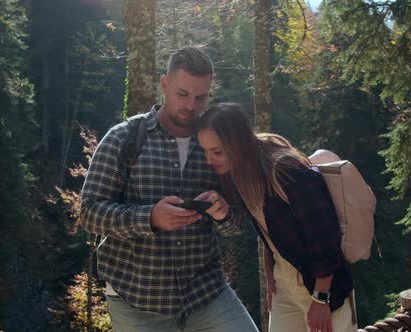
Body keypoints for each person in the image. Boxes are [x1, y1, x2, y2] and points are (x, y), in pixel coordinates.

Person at [80, 48, 258, 332]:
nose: (191, 106)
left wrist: (223, 214)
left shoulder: (218, 142)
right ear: (164, 85)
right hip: (136, 298)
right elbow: (89, 213)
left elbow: (238, 225)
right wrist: (150, 217)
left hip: (205, 293)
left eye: (201, 97)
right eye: (183, 94)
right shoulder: (123, 138)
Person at [197, 103, 358, 332]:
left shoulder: (285, 170)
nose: (210, 159)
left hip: (322, 284)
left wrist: (321, 299)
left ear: (238, 144)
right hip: (284, 284)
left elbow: (324, 237)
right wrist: (270, 275)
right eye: (205, 150)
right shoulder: (240, 173)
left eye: (217, 151)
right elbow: (265, 228)